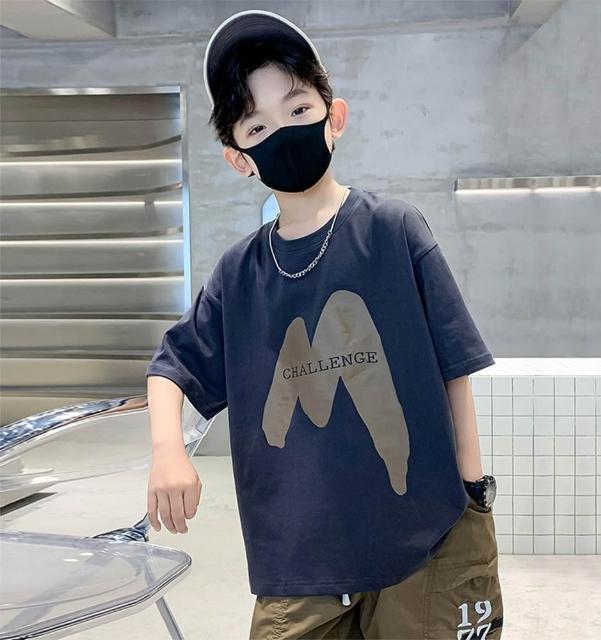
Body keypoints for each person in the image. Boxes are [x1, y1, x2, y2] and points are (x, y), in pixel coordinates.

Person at [145, 9, 504, 640]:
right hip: (299, 560)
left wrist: (473, 495)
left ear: (334, 118)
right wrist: (166, 451)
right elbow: (172, 367)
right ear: (239, 159)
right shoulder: (239, 274)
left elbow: (455, 369)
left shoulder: (393, 230)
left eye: (298, 110)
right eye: (258, 125)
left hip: (425, 540)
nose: (282, 132)